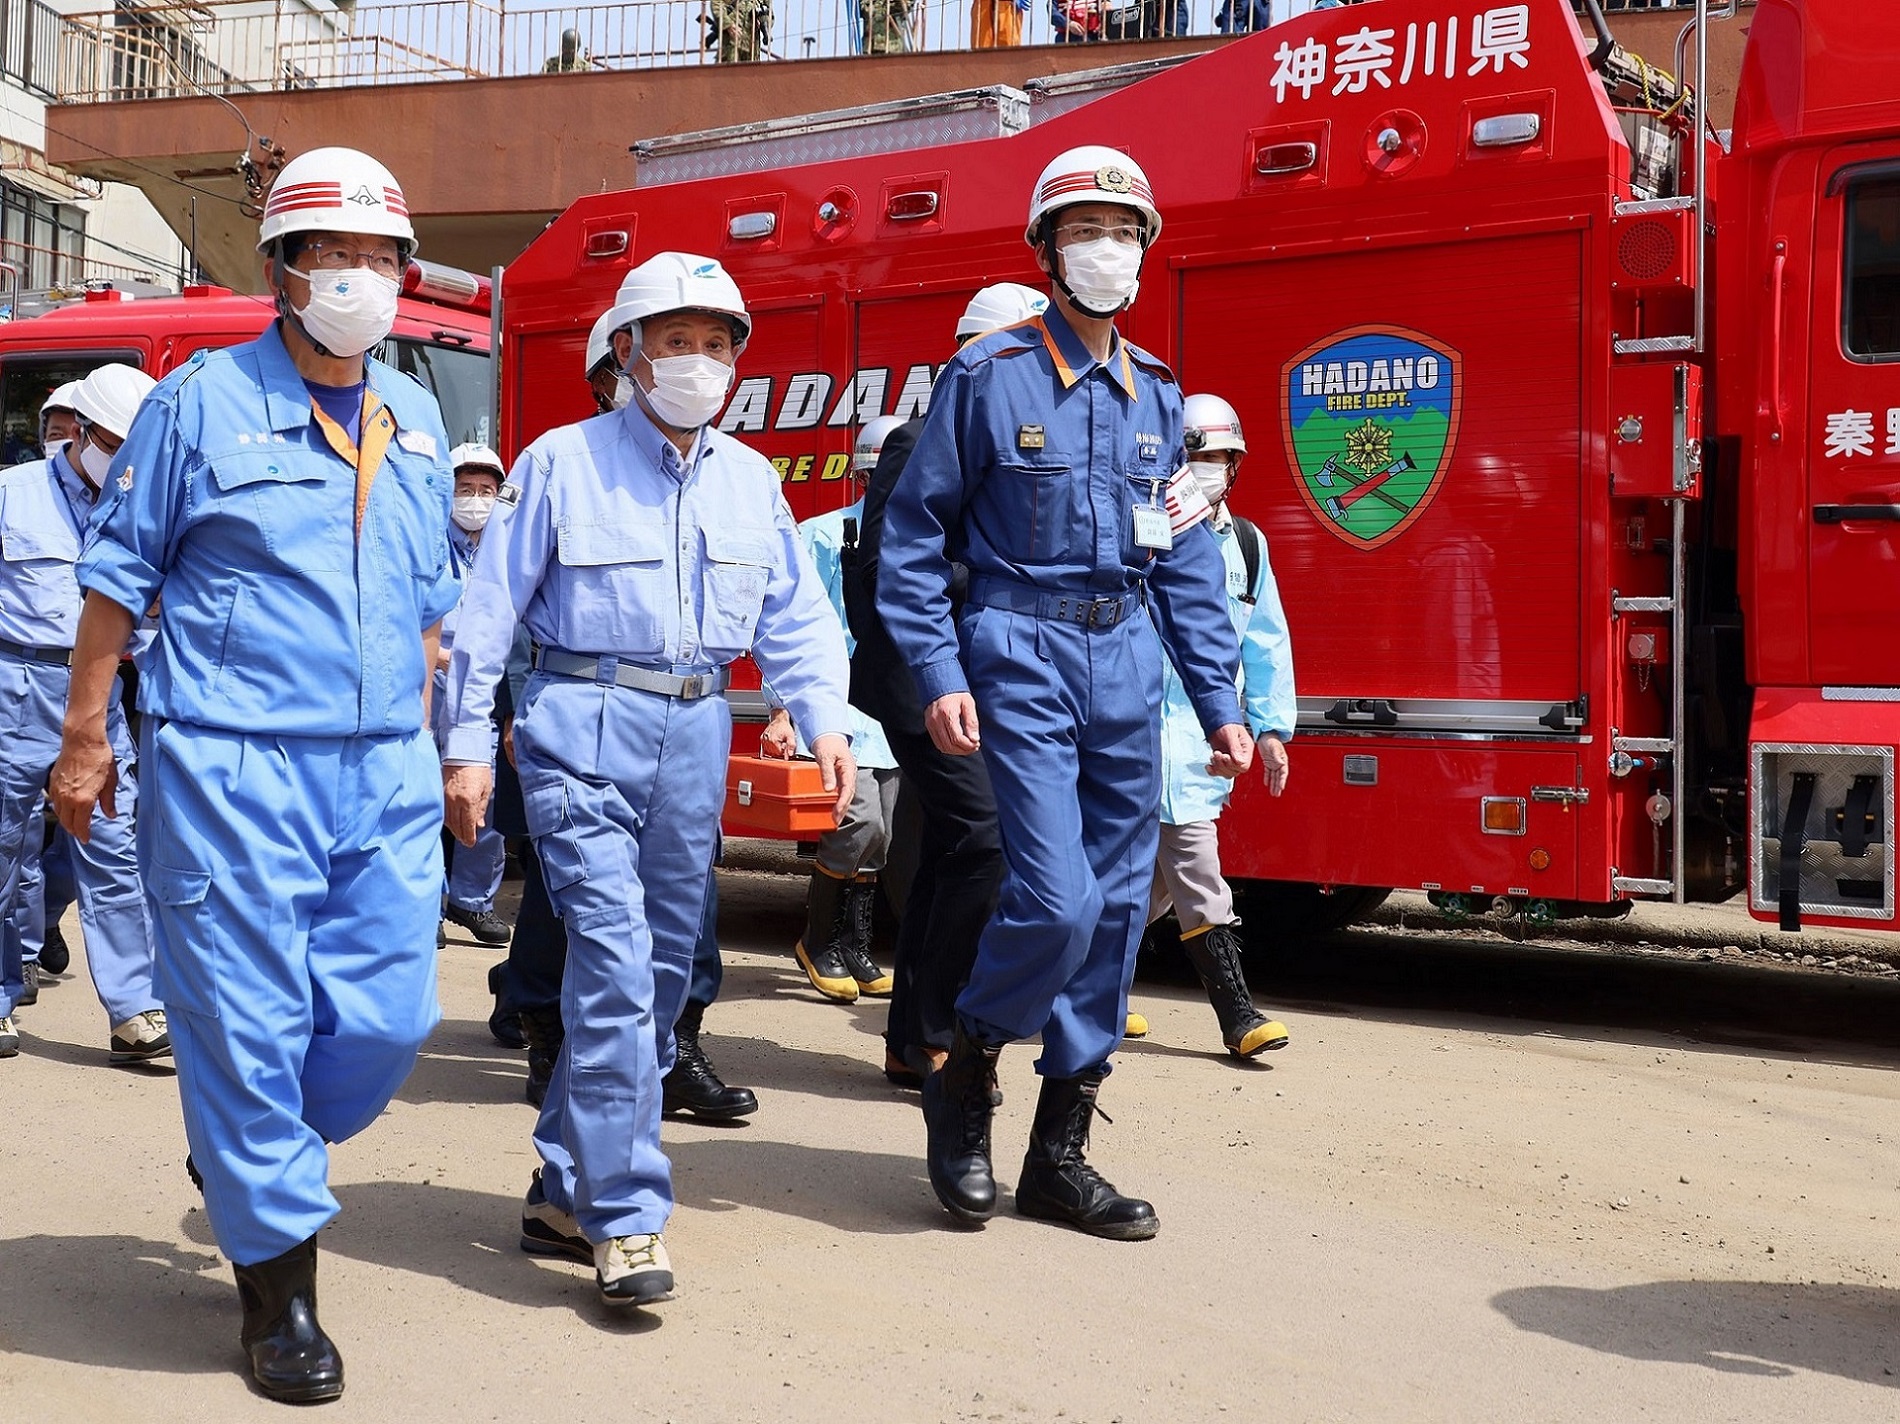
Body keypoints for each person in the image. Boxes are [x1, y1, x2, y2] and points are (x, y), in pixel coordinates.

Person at [54, 147, 455, 1404]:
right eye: (332, 253)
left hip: (383, 767)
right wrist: (84, 739)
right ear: (282, 269)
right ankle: (280, 1297)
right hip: (229, 760)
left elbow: (431, 603)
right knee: (247, 1022)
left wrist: (444, 738)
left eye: (380, 256)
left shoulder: (421, 411)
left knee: (389, 1019)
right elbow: (118, 579)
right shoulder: (197, 404)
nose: (360, 277)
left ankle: (245, 1149)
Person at [442, 251, 853, 1309]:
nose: (698, 361)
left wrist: (822, 714)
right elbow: (487, 612)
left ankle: (561, 1188)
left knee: (667, 972)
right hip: (580, 727)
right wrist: (467, 745)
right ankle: (626, 1217)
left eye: (717, 343)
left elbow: (796, 617)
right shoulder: (561, 461)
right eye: (676, 340)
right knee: (616, 967)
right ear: (627, 352)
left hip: (697, 729)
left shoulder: (751, 480)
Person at [879, 146, 1252, 1240]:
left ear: (1146, 251)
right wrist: (939, 670)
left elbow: (1182, 562)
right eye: (1082, 228)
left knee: (1114, 916)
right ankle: (966, 1062)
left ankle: (1059, 1151)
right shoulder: (988, 378)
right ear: (1046, 251)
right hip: (1018, 652)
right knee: (1055, 895)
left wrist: (1220, 703)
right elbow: (911, 538)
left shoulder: (1162, 402)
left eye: (1123, 229)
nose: (1105, 247)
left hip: (1126, 663)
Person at [841, 284, 1043, 1087]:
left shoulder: (1023, 447)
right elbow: (891, 577)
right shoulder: (915, 442)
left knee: (953, 849)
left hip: (993, 681)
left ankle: (910, 1035)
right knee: (985, 837)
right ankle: (942, 1031)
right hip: (922, 681)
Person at [0, 363, 167, 1065]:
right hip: (14, 679)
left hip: (97, 695)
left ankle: (135, 1010)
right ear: (85, 434)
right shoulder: (13, 494)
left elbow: (157, 619)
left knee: (113, 848)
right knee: (5, 849)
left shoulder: (143, 509)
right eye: (118, 446)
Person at [1140, 392, 1295, 1057]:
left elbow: (1264, 643)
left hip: (1202, 749)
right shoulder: (1146, 533)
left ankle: (1084, 996)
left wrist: (1270, 728)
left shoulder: (1247, 546)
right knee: (1194, 873)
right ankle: (1237, 1015)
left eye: (1223, 457)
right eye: (1198, 455)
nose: (1211, 467)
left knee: (1144, 889)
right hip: (1134, 741)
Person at [766, 416, 903, 1007]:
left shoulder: (920, 539)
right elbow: (787, 626)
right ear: (864, 476)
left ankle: (857, 945)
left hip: (894, 708)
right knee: (859, 821)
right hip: (837, 710)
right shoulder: (824, 535)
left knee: (887, 835)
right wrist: (783, 710)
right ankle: (817, 940)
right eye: (880, 476)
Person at [436, 442, 512, 946]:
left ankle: (472, 901)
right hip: (430, 680)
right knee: (421, 801)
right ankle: (427, 907)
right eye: (466, 489)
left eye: (487, 490)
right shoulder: (426, 541)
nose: (476, 499)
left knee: (483, 800)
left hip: (483, 691)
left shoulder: (508, 548)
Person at [706, 0, 772, 61]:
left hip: (752, 43)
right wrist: (728, 24)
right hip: (732, 39)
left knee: (751, 71)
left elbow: (769, 13)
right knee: (728, 69)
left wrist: (763, 21)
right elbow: (716, 3)